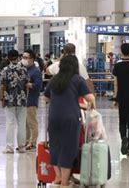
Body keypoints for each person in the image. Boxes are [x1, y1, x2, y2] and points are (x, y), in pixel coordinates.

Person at [43, 55, 95, 187]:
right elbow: (90, 98)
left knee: (55, 145)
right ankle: (64, 182)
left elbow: (45, 97)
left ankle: (58, 177)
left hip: (54, 117)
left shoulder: (54, 79)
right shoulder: (77, 80)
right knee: (68, 148)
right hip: (71, 117)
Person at [0, 49, 30, 154]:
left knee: (10, 123)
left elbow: (2, 86)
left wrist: (2, 99)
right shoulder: (24, 69)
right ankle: (21, 147)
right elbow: (27, 85)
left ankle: (9, 147)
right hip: (22, 99)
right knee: (21, 123)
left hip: (9, 99)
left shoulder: (5, 70)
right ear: (18, 57)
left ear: (8, 58)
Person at [22, 50, 42, 151]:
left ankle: (33, 142)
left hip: (31, 100)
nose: (24, 60)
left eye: (26, 58)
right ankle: (27, 141)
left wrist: (30, 85)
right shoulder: (25, 70)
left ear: (32, 59)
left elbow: (38, 85)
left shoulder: (36, 71)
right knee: (26, 123)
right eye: (23, 57)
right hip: (25, 100)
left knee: (32, 122)